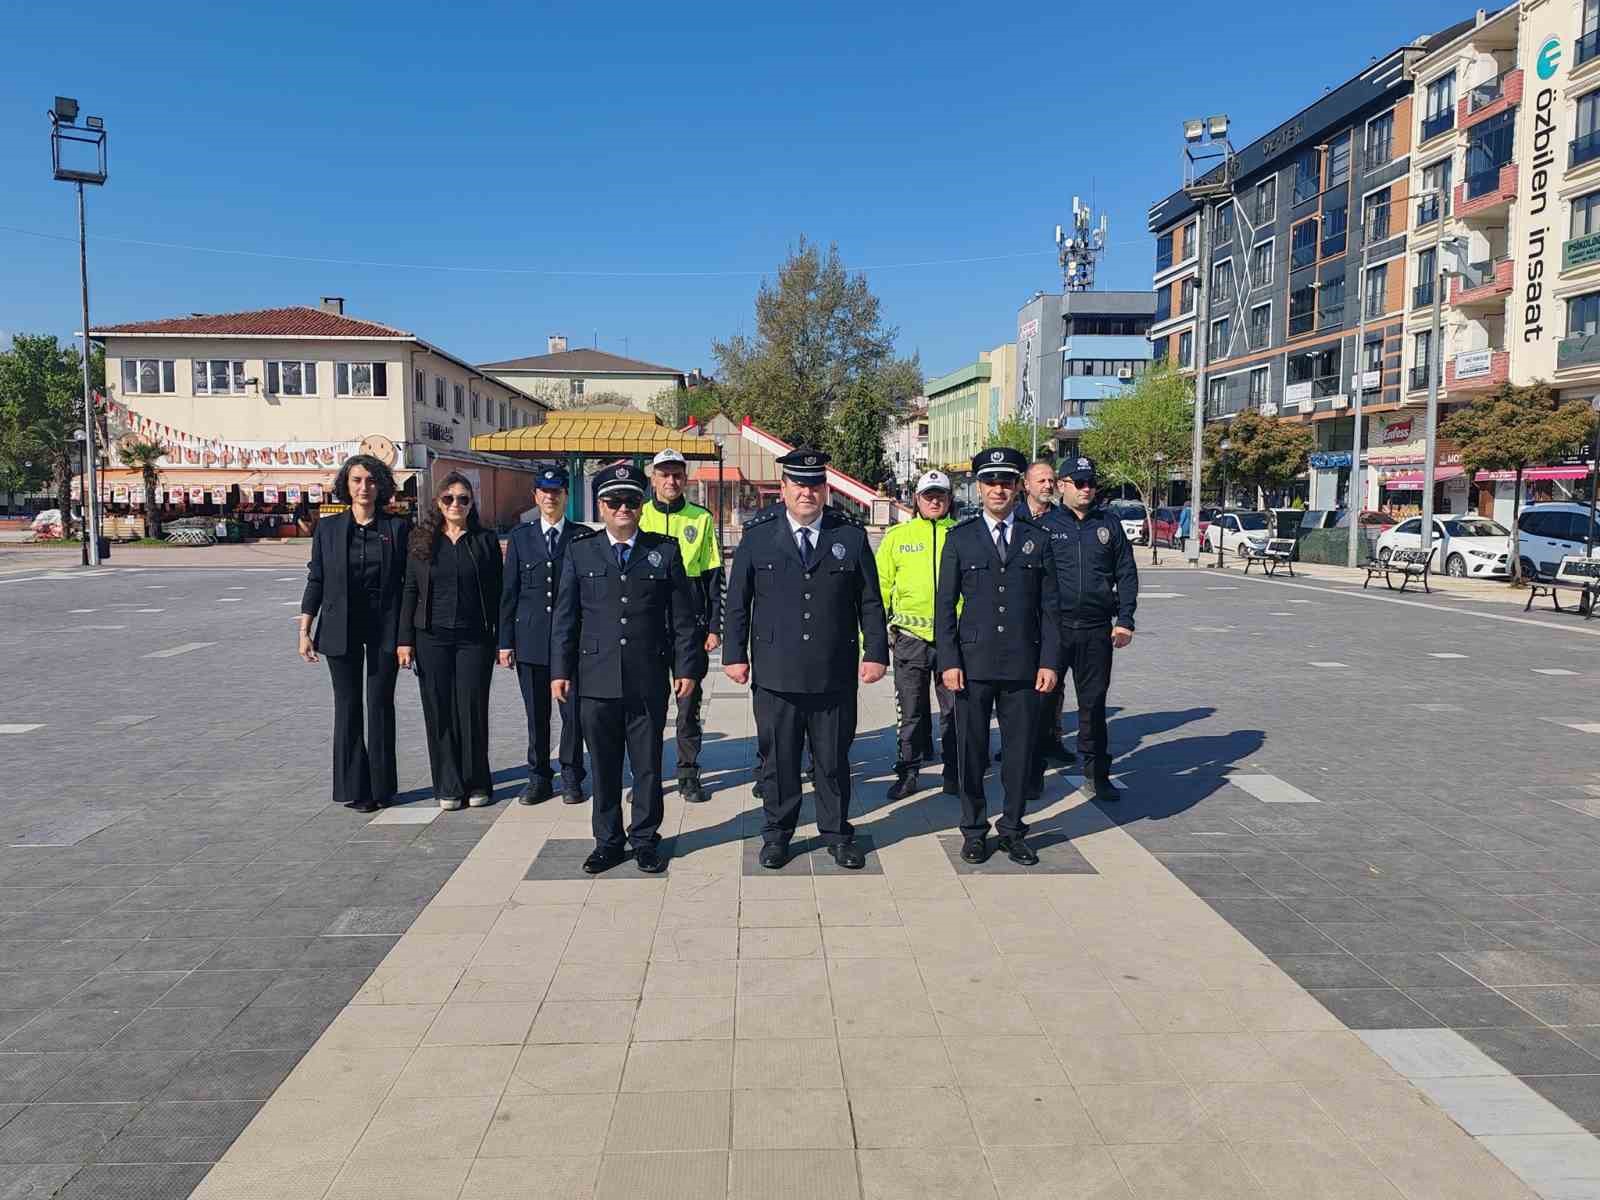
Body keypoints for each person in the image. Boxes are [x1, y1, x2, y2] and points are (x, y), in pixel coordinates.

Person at [723, 447, 889, 870]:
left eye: (815, 485)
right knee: (779, 762)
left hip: (833, 672)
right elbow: (738, 602)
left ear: (825, 490)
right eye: (798, 484)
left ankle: (836, 834)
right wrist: (734, 654)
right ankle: (778, 835)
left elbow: (870, 601)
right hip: (776, 673)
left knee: (832, 761)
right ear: (783, 488)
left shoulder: (849, 537)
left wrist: (875, 653)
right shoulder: (758, 537)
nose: (807, 493)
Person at [551, 464, 703, 874]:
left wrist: (686, 668)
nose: (623, 508)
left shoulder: (664, 551)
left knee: (647, 765)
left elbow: (683, 620)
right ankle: (608, 842)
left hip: (646, 677)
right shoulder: (581, 551)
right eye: (615, 501)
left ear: (641, 505)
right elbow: (566, 618)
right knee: (603, 767)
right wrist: (559, 670)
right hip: (596, 678)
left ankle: (645, 839)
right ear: (601, 506)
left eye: (631, 501)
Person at [936, 447, 1060, 866]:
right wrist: (949, 661)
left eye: (1006, 482)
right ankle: (974, 830)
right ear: (978, 487)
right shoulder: (960, 538)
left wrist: (1050, 661)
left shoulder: (1037, 539)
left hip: (1024, 664)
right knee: (971, 752)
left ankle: (1013, 828)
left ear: (1018, 486)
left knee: (1020, 752)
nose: (998, 490)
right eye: (990, 482)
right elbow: (944, 607)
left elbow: (1050, 608)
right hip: (972, 665)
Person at [298, 455, 411, 814]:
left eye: (371, 480)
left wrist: (407, 637)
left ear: (381, 486)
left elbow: (408, 585)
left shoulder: (397, 529)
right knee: (347, 706)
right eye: (357, 480)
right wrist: (305, 629)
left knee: (379, 704)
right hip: (339, 627)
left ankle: (382, 787)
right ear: (346, 485)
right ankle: (354, 787)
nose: (364, 487)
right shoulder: (328, 529)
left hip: (384, 628)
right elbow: (316, 578)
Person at [398, 472, 504, 811]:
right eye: (449, 498)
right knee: (439, 709)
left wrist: (502, 640)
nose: (455, 504)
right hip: (432, 638)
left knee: (472, 709)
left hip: (475, 638)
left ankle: (477, 782)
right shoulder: (422, 540)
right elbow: (410, 590)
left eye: (463, 499)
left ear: (471, 504)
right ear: (438, 502)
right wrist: (404, 640)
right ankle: (448, 784)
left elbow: (498, 592)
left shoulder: (485, 541)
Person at [1041, 455, 1139, 803]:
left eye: (1091, 483)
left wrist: (1125, 620)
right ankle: (1034, 770)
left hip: (1096, 629)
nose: (1086, 489)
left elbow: (1126, 573)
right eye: (1079, 483)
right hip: (1054, 630)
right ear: (1062, 486)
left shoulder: (1109, 525)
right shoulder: (1045, 526)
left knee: (1093, 704)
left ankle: (1097, 774)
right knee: (1042, 702)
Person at [498, 465, 588, 805]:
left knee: (572, 715)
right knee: (536, 715)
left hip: (571, 643)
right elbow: (509, 592)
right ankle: (538, 777)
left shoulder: (581, 537)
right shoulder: (521, 537)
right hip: (531, 640)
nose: (550, 497)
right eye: (544, 491)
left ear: (566, 495)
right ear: (535, 496)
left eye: (556, 491)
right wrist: (505, 641)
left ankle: (571, 775)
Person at [638, 448, 722, 803]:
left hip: (689, 624)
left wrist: (715, 626)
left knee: (688, 704)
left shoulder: (700, 518)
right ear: (652, 478)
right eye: (664, 474)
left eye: (677, 475)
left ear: (685, 478)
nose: (671, 481)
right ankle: (647, 776)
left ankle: (688, 773)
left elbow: (713, 575)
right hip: (648, 624)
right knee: (647, 706)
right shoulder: (639, 513)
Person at [875, 470, 958, 800]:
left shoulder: (962, 534)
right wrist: (873, 641)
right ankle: (908, 772)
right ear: (917, 500)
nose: (934, 501)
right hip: (910, 639)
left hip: (953, 641)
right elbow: (880, 587)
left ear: (950, 500)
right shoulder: (897, 536)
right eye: (928, 496)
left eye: (940, 495)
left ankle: (954, 772)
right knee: (910, 711)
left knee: (954, 712)